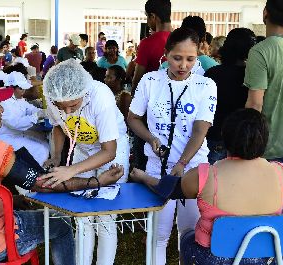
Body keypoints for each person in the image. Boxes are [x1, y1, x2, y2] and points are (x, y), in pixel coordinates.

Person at [0, 78, 124, 264]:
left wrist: (11, 199)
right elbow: (45, 184)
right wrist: (97, 182)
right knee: (62, 225)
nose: (2, 110)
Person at [130, 108, 283, 265]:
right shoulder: (281, 172)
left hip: (215, 258)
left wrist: (144, 177)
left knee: (187, 234)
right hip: (269, 257)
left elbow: (170, 189)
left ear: (225, 138)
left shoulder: (207, 175)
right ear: (265, 140)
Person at [127, 27, 217, 265]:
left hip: (193, 170)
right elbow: (133, 118)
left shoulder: (206, 86)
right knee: (158, 235)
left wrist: (182, 163)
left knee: (190, 234)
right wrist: (150, 138)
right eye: (177, 58)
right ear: (166, 55)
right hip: (158, 168)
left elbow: (200, 130)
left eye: (191, 59)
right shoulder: (150, 81)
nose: (183, 65)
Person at [39, 59, 129, 265]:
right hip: (82, 147)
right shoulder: (54, 96)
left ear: (84, 93)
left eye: (73, 105)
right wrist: (56, 156)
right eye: (62, 107)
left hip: (111, 147)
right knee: (83, 215)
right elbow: (59, 127)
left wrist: (71, 170)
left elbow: (109, 151)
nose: (68, 112)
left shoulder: (101, 95)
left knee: (105, 216)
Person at [244, 0, 283, 170]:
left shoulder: (260, 51)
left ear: (265, 13)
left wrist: (245, 145)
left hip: (271, 148)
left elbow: (255, 104)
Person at [205, 28, 256, 164]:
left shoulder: (212, 73)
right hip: (241, 139)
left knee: (210, 180)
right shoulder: (253, 76)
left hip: (213, 134)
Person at [131, 0, 172, 172]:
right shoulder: (181, 40)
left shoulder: (148, 43)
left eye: (147, 17)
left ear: (153, 17)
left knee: (145, 157)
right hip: (176, 109)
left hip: (150, 111)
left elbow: (137, 79)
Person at [0, 73, 48, 165]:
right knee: (41, 151)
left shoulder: (18, 98)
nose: (23, 91)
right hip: (6, 138)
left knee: (45, 143)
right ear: (11, 87)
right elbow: (15, 123)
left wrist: (44, 112)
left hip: (17, 134)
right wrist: (37, 116)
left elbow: (29, 108)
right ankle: (37, 176)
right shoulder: (4, 102)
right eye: (21, 88)